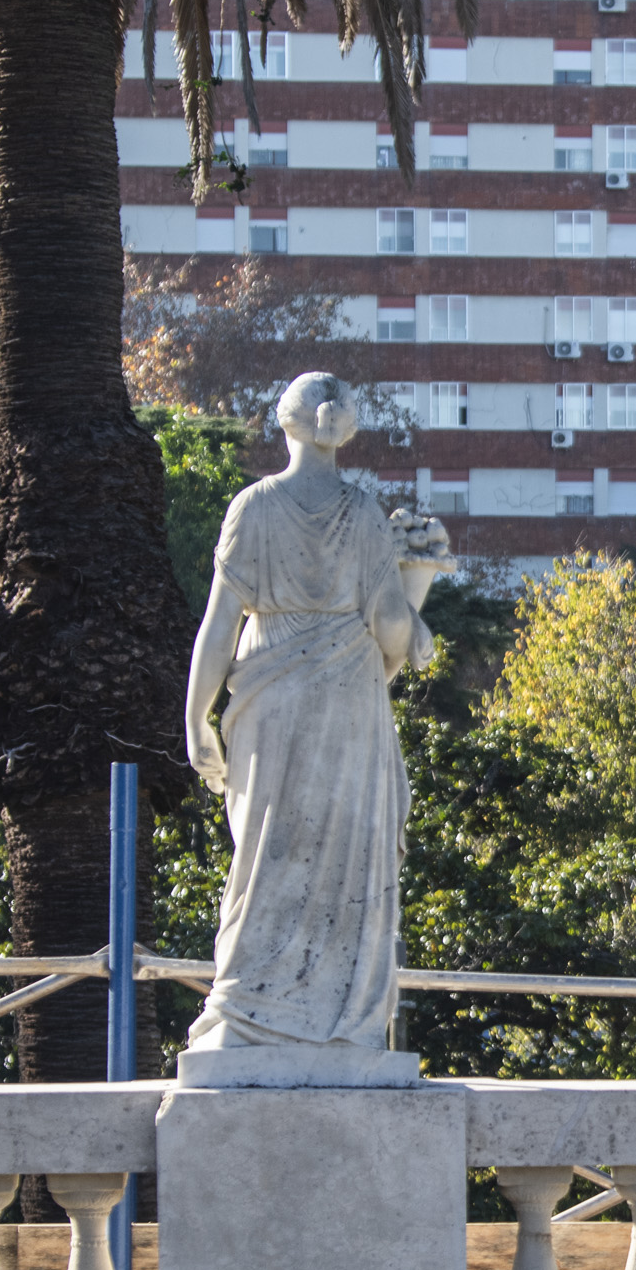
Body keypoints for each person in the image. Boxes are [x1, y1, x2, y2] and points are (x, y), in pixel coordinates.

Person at [184, 373, 453, 1052]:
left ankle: (245, 1013)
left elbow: (218, 626)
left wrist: (195, 718)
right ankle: (342, 1019)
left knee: (267, 856)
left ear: (285, 424)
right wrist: (417, 631)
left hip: (269, 696)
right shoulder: (362, 511)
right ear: (345, 429)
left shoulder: (254, 505)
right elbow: (390, 624)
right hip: (347, 699)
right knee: (344, 856)